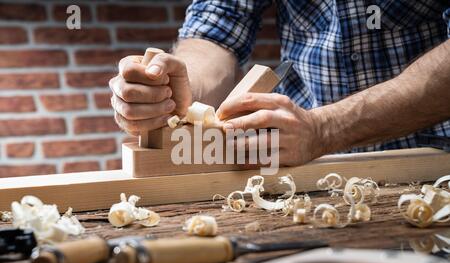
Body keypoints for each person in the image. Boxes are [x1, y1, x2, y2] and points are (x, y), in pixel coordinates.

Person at [109, 1, 450, 166]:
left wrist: (325, 129)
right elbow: (217, 29)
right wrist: (174, 91)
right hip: (305, 167)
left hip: (432, 161)